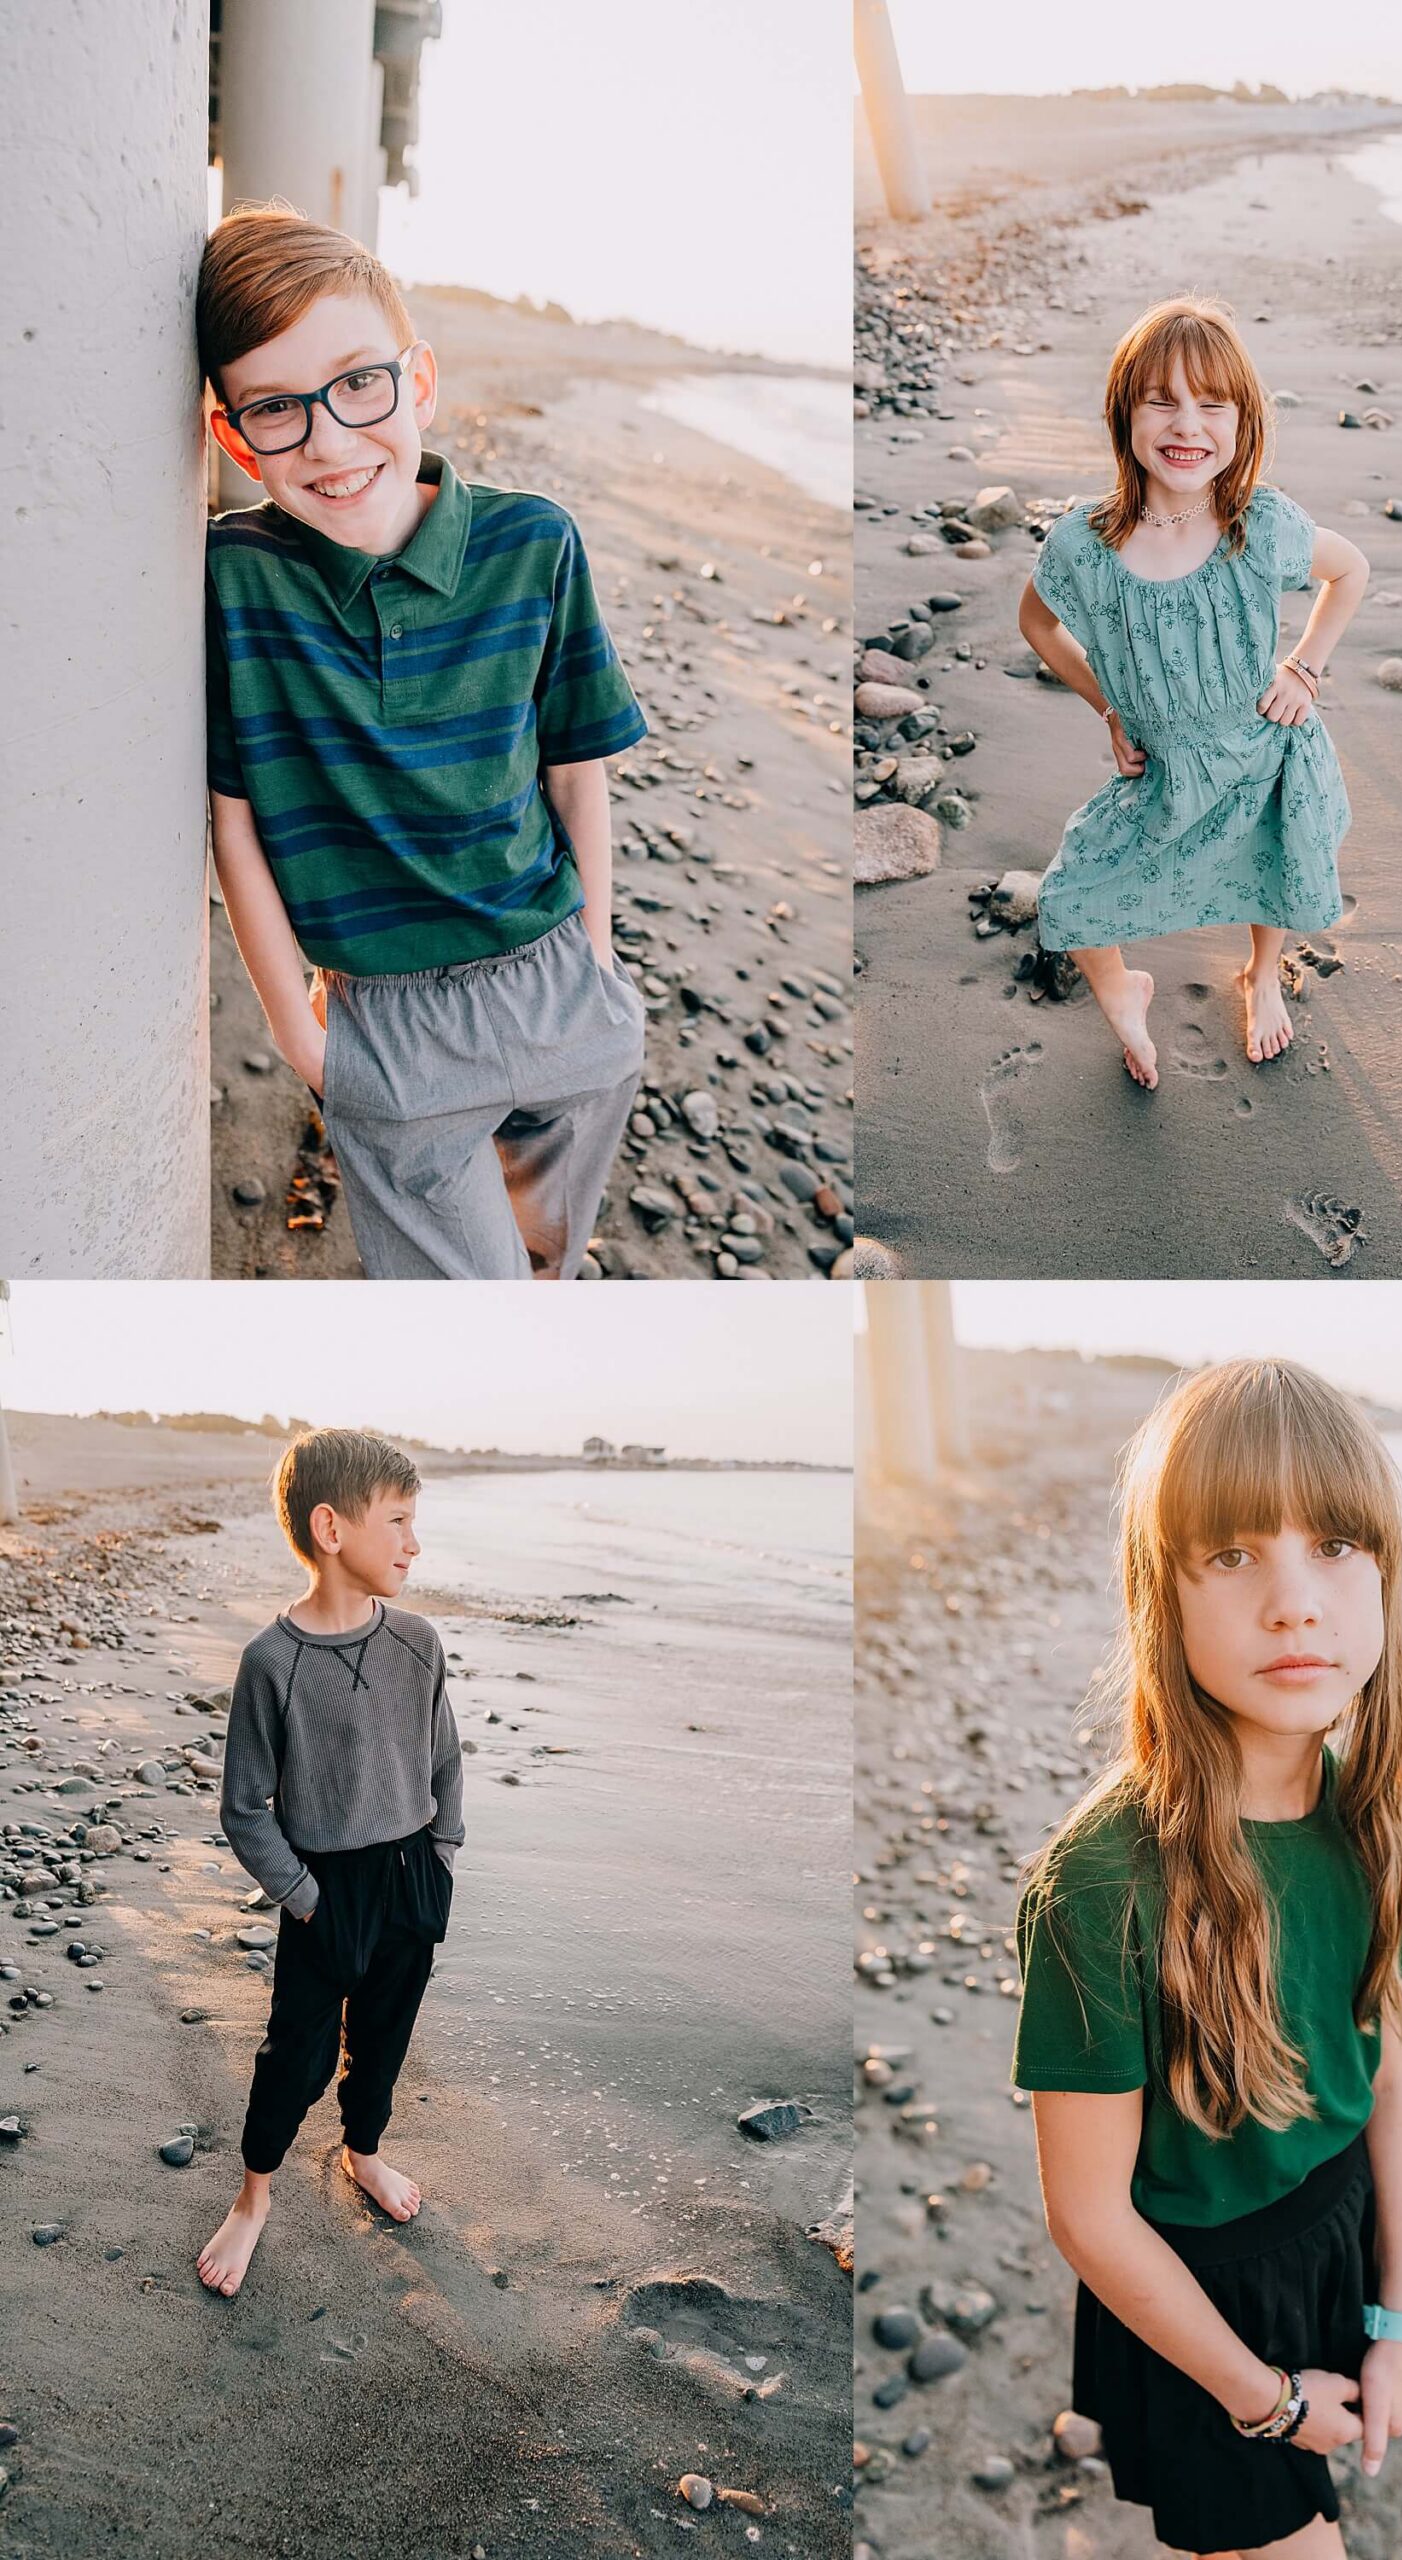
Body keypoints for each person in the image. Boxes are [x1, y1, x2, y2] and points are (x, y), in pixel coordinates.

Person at [1014, 1358, 1402, 2559]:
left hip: (1338, 2224)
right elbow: (1091, 2216)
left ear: (1387, 1579)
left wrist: (1397, 2319)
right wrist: (1268, 2398)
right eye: (1235, 1554)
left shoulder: (1382, 1818)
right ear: (1164, 1597)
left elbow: (1389, 2072)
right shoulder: (1103, 1883)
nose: (1297, 1602)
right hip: (1191, 2289)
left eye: (1338, 1545)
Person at [200, 205, 649, 1279]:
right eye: (276, 408)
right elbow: (234, 823)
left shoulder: (533, 542)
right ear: (229, 434)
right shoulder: (232, 581)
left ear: (421, 380)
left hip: (560, 989)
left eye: (360, 383)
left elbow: (575, 774)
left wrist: (594, 959)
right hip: (383, 1027)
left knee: (544, 1267)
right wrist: (306, 1043)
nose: (330, 440)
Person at [1019, 297, 1370, 1084]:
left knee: (1270, 865)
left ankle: (1257, 976)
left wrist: (1303, 666)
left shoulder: (1258, 525)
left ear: (1241, 423)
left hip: (1262, 751)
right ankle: (1120, 988)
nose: (1187, 425)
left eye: (1211, 404)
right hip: (1164, 766)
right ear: (1124, 413)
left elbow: (1349, 570)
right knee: (1073, 895)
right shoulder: (1083, 543)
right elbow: (1038, 626)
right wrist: (1107, 705)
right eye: (1161, 401)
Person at [197, 1429, 464, 2298]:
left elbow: (445, 1760)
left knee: (385, 2036)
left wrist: (443, 1856)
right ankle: (252, 2197)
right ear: (331, 1528)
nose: (414, 1543)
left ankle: (364, 2152)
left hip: (410, 1875)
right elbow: (244, 1806)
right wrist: (306, 1897)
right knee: (295, 2055)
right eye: (398, 1521)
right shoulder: (271, 1662)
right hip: (324, 1890)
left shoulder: (417, 1641)